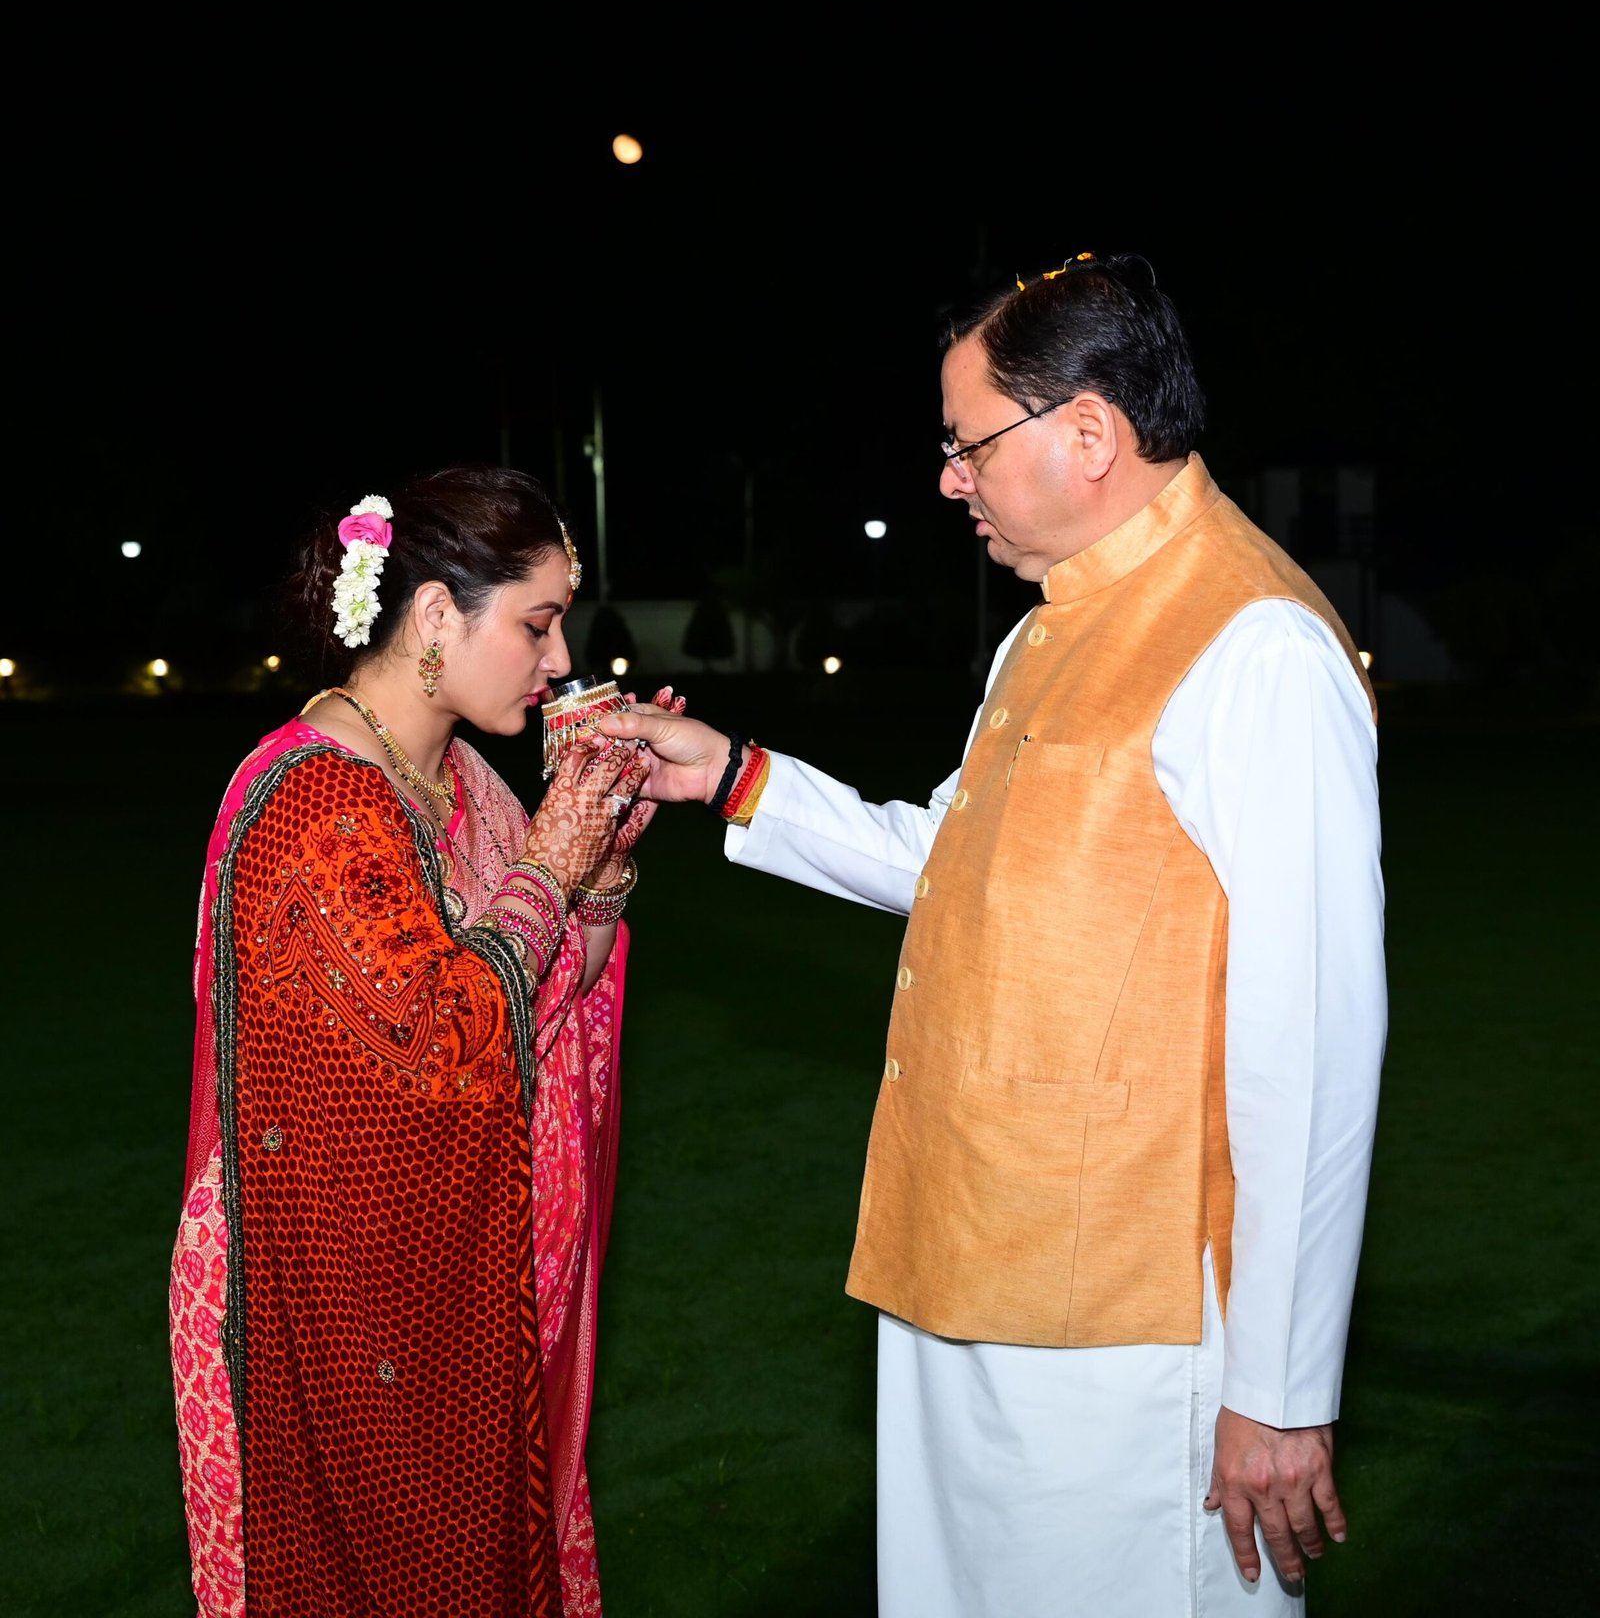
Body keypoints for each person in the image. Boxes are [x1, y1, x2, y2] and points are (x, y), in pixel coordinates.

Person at [599, 251, 1388, 1615]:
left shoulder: (1256, 647)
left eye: (967, 444)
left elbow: (1313, 1043)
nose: (948, 479)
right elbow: (960, 863)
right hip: (960, 1252)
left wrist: (1277, 1389)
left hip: (1128, 1326)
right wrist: (730, 774)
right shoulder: (1047, 632)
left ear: (1088, 433)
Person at [170, 465, 674, 1617]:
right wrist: (550, 864)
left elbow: (550, 984)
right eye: (537, 623)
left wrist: (599, 862)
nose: (559, 659)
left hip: (455, 1294)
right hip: (331, 1312)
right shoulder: (314, 801)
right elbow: (448, 1039)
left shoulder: (458, 776)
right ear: (438, 614)